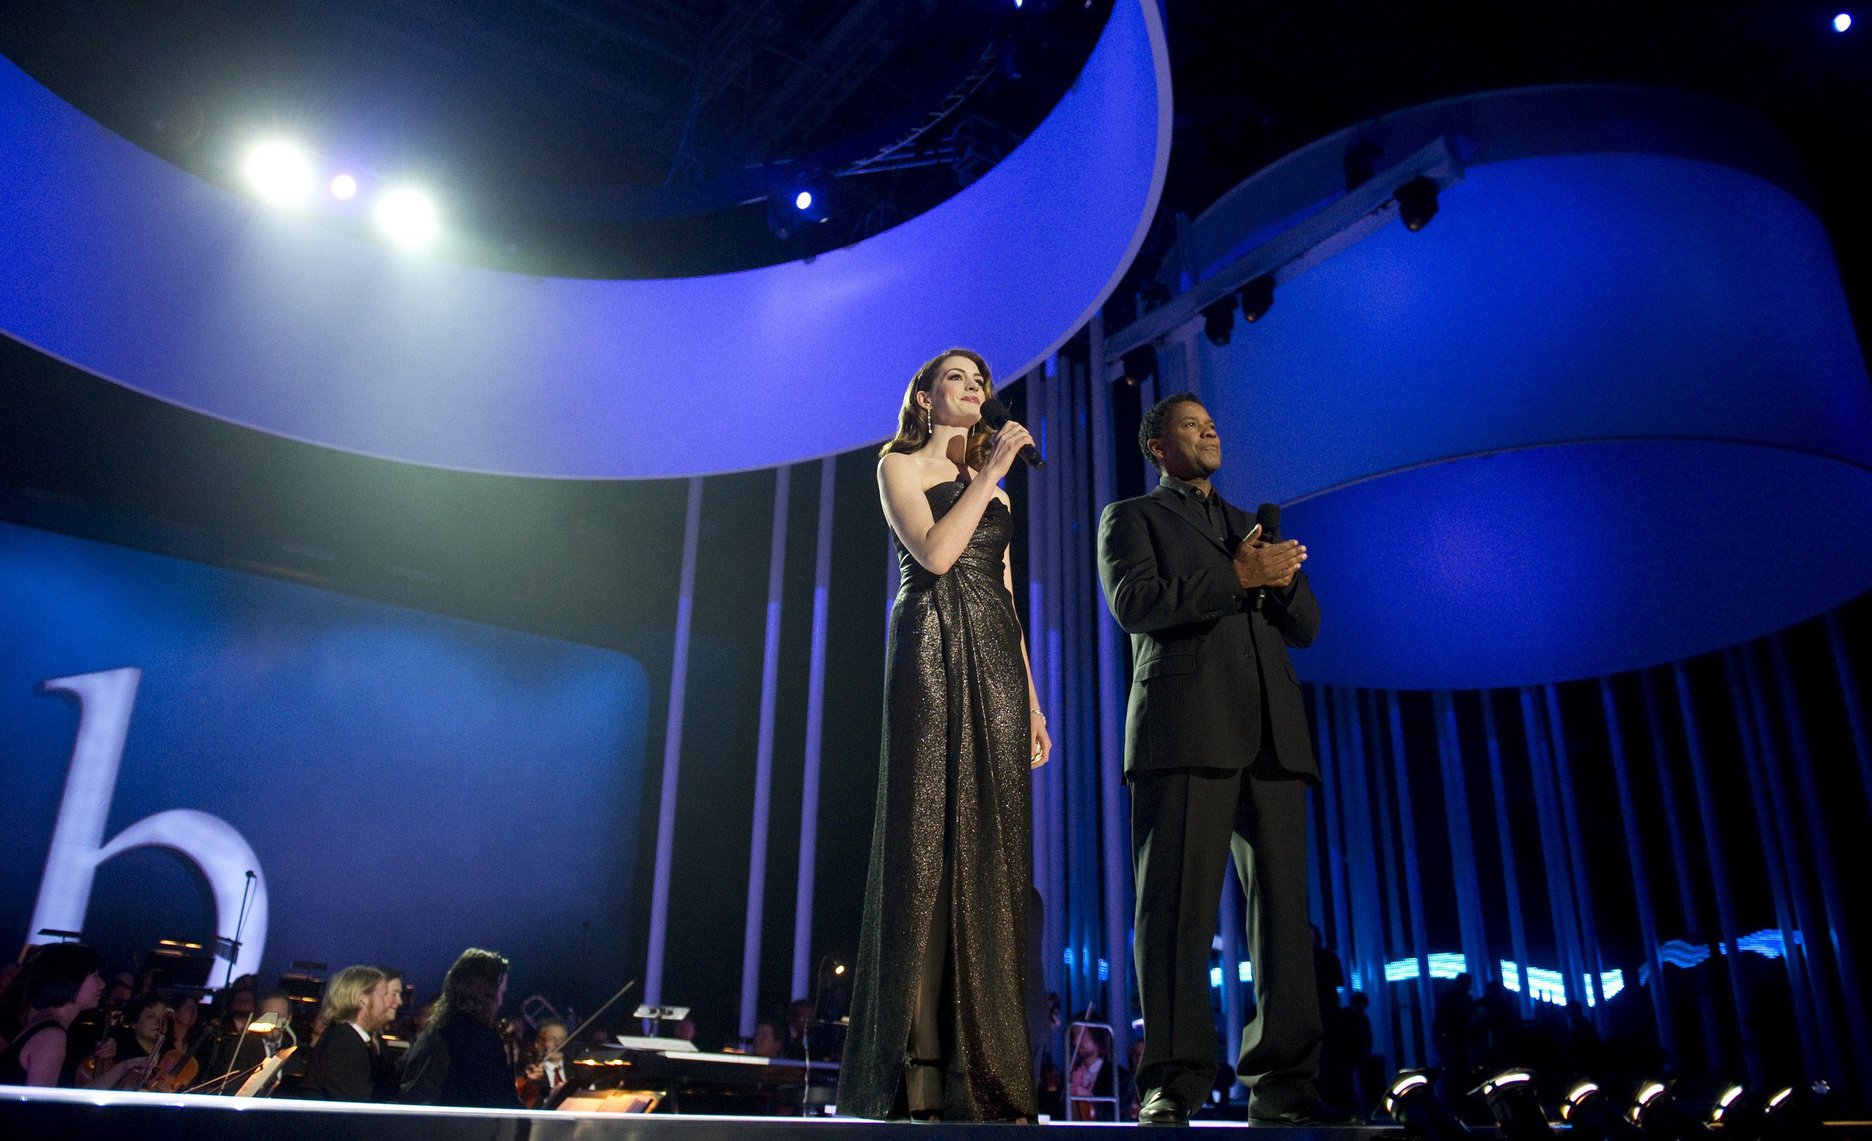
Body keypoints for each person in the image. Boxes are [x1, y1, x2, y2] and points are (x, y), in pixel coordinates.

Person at [1096, 393, 1349, 1127]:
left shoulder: (1252, 526)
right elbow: (1135, 603)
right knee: (1175, 910)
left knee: (1285, 923)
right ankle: (1173, 1083)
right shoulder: (1132, 517)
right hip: (1185, 727)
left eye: (1211, 422)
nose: (1208, 429)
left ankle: (1285, 1087)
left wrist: (1283, 579)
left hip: (1273, 735)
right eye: (1190, 423)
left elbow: (1307, 627)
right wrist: (1237, 577)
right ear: (1158, 447)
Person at [839, 348, 1051, 1123]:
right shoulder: (898, 466)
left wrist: (1032, 701)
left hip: (994, 654)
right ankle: (919, 1072)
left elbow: (1005, 593)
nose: (974, 388)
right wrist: (988, 473)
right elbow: (934, 554)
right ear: (926, 398)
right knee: (926, 842)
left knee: (992, 851)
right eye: (956, 378)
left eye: (980, 380)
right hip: (929, 643)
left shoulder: (995, 489)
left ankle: (985, 1069)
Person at [401, 948, 520, 1108]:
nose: (500, 1001)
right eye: (500, 993)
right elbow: (502, 1106)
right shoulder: (483, 1042)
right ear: (486, 993)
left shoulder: (433, 1034)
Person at [0, 944, 109, 1087]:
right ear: (71, 979)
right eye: (95, 976)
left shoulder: (43, 1022)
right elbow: (39, 1099)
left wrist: (123, 1067)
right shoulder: (52, 1035)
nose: (102, 984)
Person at [299, 966, 399, 1102]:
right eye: (384, 996)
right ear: (362, 1000)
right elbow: (360, 1104)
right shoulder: (342, 1043)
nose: (389, 1003)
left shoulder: (359, 1041)